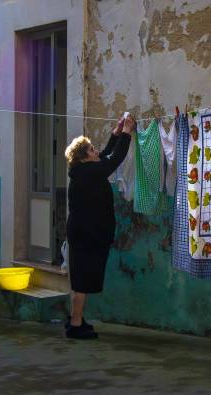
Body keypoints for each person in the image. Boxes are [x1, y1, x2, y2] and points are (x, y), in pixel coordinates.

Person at [64, 114, 135, 339]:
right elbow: (114, 160)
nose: (96, 151)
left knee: (80, 279)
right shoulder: (90, 173)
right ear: (84, 158)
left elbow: (104, 156)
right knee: (83, 280)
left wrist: (116, 133)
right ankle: (75, 325)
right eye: (91, 149)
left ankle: (76, 319)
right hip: (88, 235)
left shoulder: (84, 171)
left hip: (83, 233)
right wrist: (127, 133)